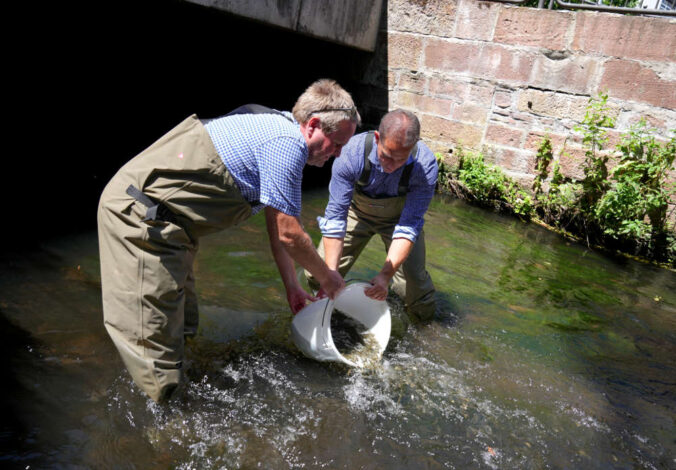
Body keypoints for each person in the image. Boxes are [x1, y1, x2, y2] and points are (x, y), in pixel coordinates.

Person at [97, 79, 360, 402]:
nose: (337, 155)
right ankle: (166, 424)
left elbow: (275, 224)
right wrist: (329, 279)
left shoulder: (278, 131)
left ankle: (177, 383)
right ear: (314, 125)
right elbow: (290, 234)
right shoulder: (285, 144)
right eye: (336, 144)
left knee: (183, 323)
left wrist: (292, 286)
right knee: (155, 342)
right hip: (140, 219)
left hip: (174, 229)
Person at [306, 109, 437, 321]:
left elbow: (409, 226)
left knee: (413, 284)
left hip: (399, 220)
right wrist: (330, 274)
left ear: (413, 148)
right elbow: (336, 218)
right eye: (386, 156)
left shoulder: (425, 166)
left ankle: (423, 328)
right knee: (318, 272)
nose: (391, 167)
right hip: (355, 213)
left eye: (400, 160)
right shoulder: (351, 153)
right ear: (377, 138)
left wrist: (386, 275)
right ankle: (321, 310)